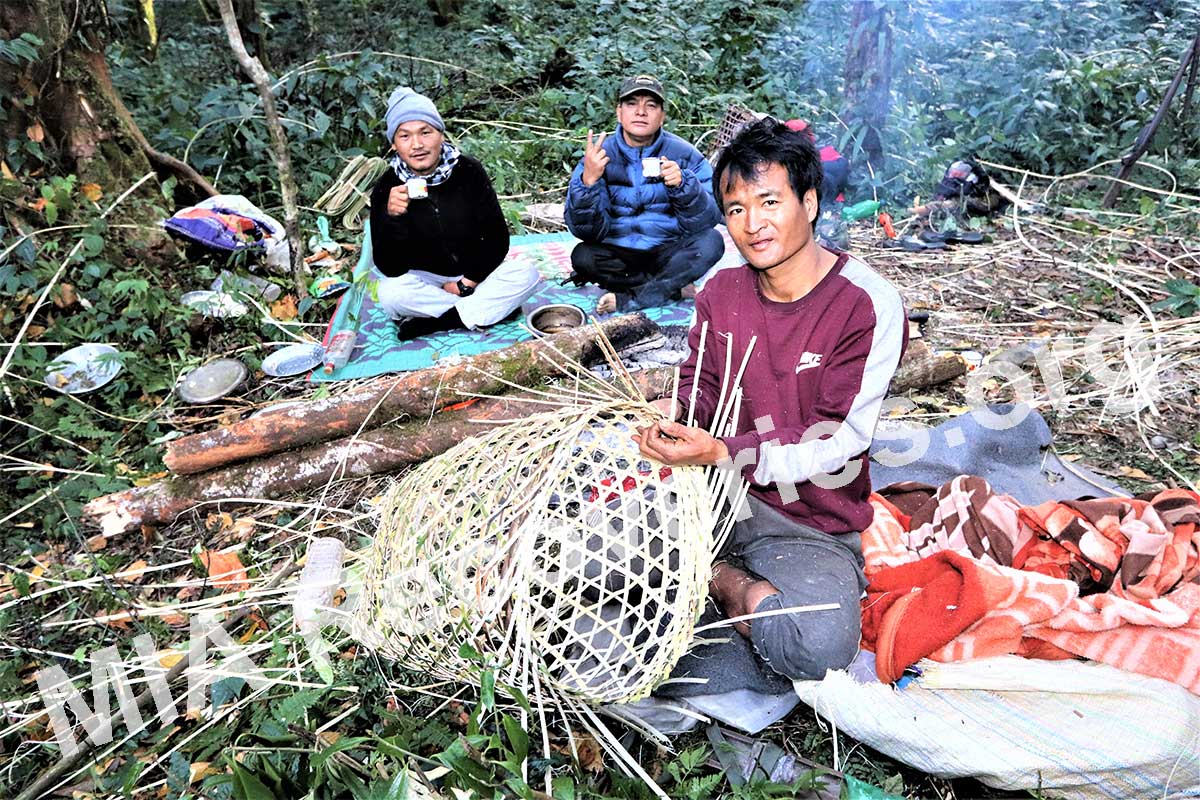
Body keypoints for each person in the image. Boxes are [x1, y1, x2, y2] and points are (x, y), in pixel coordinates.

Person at [636, 119, 907, 695]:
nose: (752, 224)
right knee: (571, 550)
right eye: (735, 209)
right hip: (705, 492)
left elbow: (838, 438)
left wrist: (723, 450)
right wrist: (677, 415)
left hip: (806, 518)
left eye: (769, 201)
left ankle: (715, 579)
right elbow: (703, 381)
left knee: (820, 647)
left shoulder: (866, 303)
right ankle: (687, 562)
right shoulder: (721, 289)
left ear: (808, 202)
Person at [369, 86, 540, 340]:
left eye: (425, 132)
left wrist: (466, 283)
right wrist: (392, 217)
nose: (417, 145)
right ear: (394, 144)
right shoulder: (386, 188)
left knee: (527, 273)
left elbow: (497, 238)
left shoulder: (469, 171)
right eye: (405, 136)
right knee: (390, 294)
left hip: (476, 276)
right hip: (426, 281)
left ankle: (439, 321)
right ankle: (483, 311)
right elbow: (389, 267)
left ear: (440, 135)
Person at [564, 75, 724, 314]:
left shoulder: (685, 154)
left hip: (667, 251)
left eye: (651, 105)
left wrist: (684, 186)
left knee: (712, 241)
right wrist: (588, 182)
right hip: (619, 254)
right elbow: (585, 231)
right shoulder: (598, 155)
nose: (641, 112)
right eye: (631, 104)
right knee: (583, 256)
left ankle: (632, 298)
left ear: (662, 116)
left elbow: (708, 220)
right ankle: (668, 289)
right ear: (619, 112)